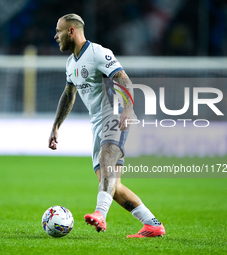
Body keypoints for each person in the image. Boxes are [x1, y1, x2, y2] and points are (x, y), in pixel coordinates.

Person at [48, 13, 165, 238]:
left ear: (71, 31)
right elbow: (68, 94)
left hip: (115, 114)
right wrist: (56, 126)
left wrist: (129, 109)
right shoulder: (71, 62)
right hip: (96, 123)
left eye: (59, 31)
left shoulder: (98, 53)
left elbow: (123, 78)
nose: (55, 36)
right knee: (111, 185)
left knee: (107, 158)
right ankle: (152, 224)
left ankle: (100, 214)